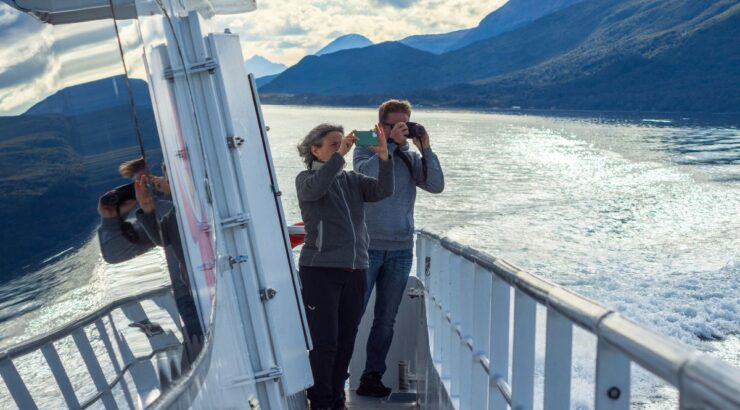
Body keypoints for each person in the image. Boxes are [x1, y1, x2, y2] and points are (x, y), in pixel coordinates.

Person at [296, 123, 394, 410]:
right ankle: (321, 401)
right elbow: (316, 190)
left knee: (345, 342)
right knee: (324, 343)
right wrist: (340, 156)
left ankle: (336, 399)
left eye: (342, 143)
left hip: (355, 269)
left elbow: (383, 190)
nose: (340, 147)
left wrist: (385, 157)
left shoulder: (352, 180)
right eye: (332, 144)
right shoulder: (305, 179)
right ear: (314, 150)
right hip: (320, 270)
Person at [353, 99, 444, 397]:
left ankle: (372, 377)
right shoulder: (365, 143)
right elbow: (365, 176)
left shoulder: (409, 155)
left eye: (404, 123)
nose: (400, 129)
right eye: (394, 125)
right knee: (352, 314)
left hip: (401, 249)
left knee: (386, 320)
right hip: (367, 247)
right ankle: (335, 374)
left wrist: (425, 149)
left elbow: (436, 185)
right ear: (381, 125)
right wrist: (389, 145)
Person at [97, 158, 203, 366]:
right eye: (138, 184)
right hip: (189, 298)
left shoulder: (171, 207)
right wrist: (112, 219)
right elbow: (114, 253)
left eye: (150, 181)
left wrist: (152, 204)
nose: (146, 188)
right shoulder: (157, 215)